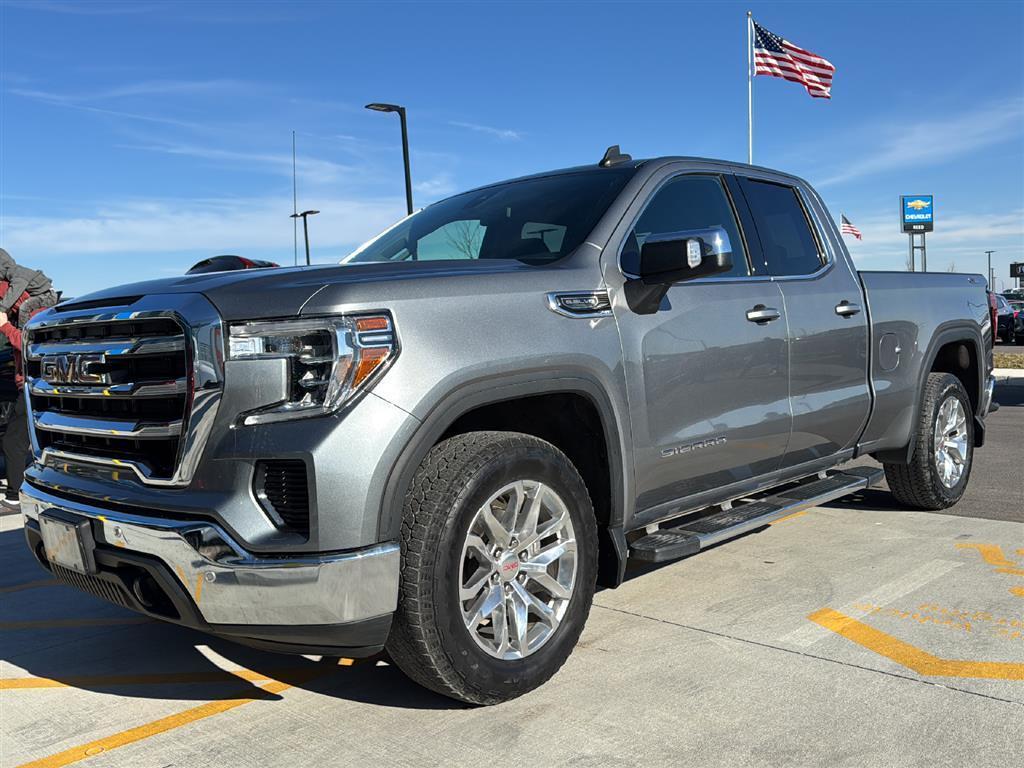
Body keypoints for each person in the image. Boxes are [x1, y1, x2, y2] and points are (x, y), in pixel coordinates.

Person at [0, 300, 45, 512]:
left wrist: (5, 326)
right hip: (27, 387)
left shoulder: (36, 313)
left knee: (13, 442)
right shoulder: (25, 313)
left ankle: (14, 497)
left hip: (34, 387)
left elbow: (28, 343)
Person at [0, 248, 58, 327]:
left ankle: (24, 331)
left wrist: (2, 308)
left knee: (24, 307)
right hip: (42, 294)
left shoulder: (19, 274)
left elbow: (13, 292)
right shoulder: (15, 272)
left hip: (47, 296)